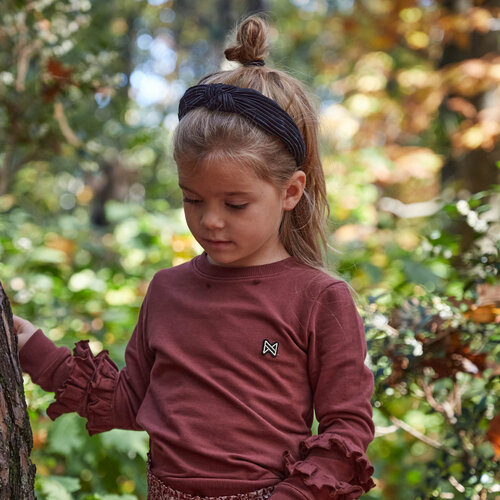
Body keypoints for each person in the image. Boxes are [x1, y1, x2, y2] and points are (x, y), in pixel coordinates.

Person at [14, 14, 376, 500]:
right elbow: (128, 401)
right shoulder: (168, 289)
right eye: (192, 199)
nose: (210, 221)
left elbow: (347, 429)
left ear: (290, 191)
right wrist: (33, 346)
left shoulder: (318, 298)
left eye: (235, 204)